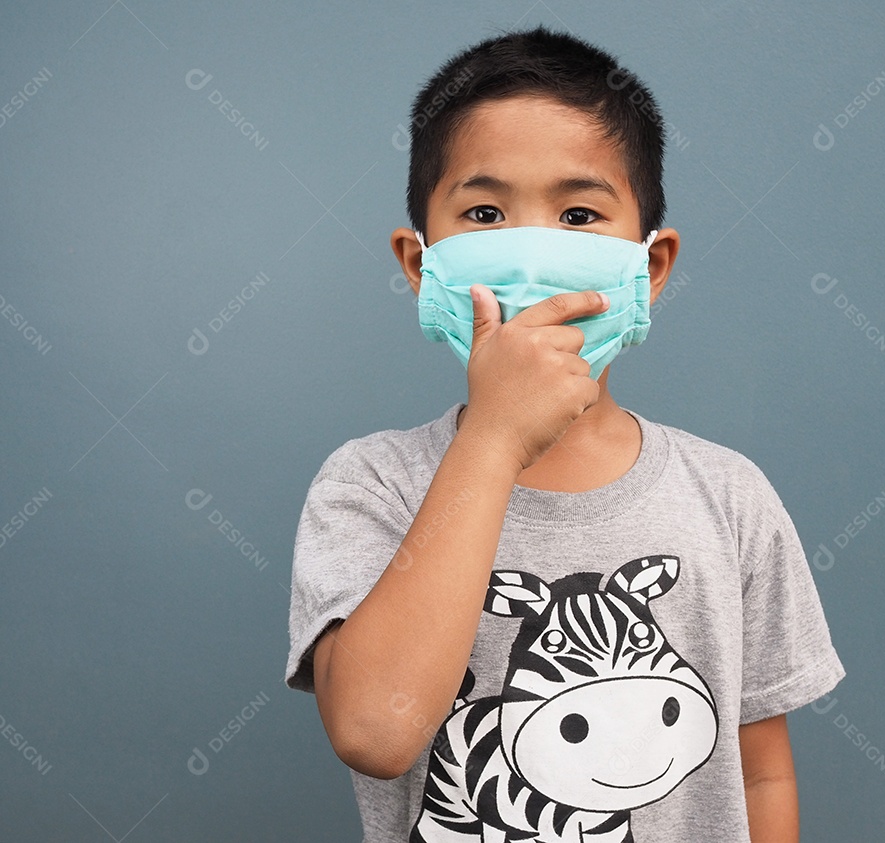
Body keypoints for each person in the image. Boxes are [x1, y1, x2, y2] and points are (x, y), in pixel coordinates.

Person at [285, 25, 844, 842]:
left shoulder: (728, 496)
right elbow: (375, 732)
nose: (536, 249)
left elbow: (760, 765)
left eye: (579, 213)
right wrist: (494, 441)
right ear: (419, 264)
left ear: (650, 268)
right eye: (484, 212)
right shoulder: (370, 484)